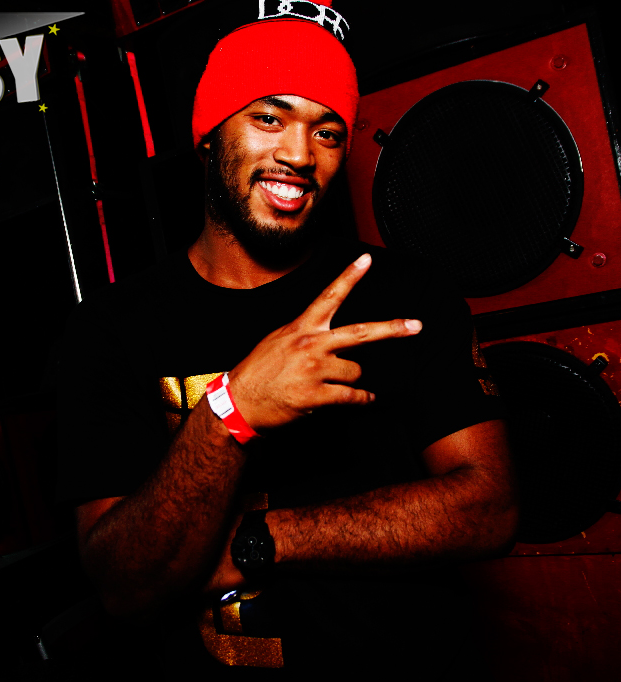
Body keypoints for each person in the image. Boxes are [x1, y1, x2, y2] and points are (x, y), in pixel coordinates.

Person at [56, 1, 517, 674]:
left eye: (327, 132)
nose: (299, 155)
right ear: (209, 136)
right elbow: (124, 587)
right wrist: (232, 410)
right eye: (268, 118)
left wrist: (260, 540)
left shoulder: (404, 293)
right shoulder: (109, 328)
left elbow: (490, 508)